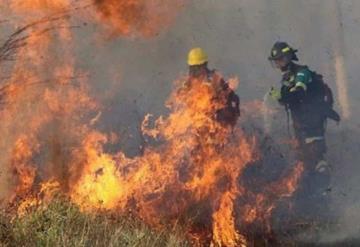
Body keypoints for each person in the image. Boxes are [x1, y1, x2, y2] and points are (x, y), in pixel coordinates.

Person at [268, 41, 340, 219]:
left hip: (312, 123)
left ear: (288, 57)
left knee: (316, 159)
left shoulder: (302, 73)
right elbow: (290, 100)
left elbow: (298, 94)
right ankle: (314, 205)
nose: (278, 64)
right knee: (305, 162)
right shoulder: (287, 77)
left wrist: (282, 96)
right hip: (301, 125)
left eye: (280, 59)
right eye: (275, 61)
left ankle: (325, 198)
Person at [184, 47, 240, 127]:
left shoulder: (214, 79)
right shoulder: (189, 83)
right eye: (194, 68)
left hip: (219, 119)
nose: (196, 71)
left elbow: (230, 97)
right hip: (202, 121)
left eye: (197, 68)